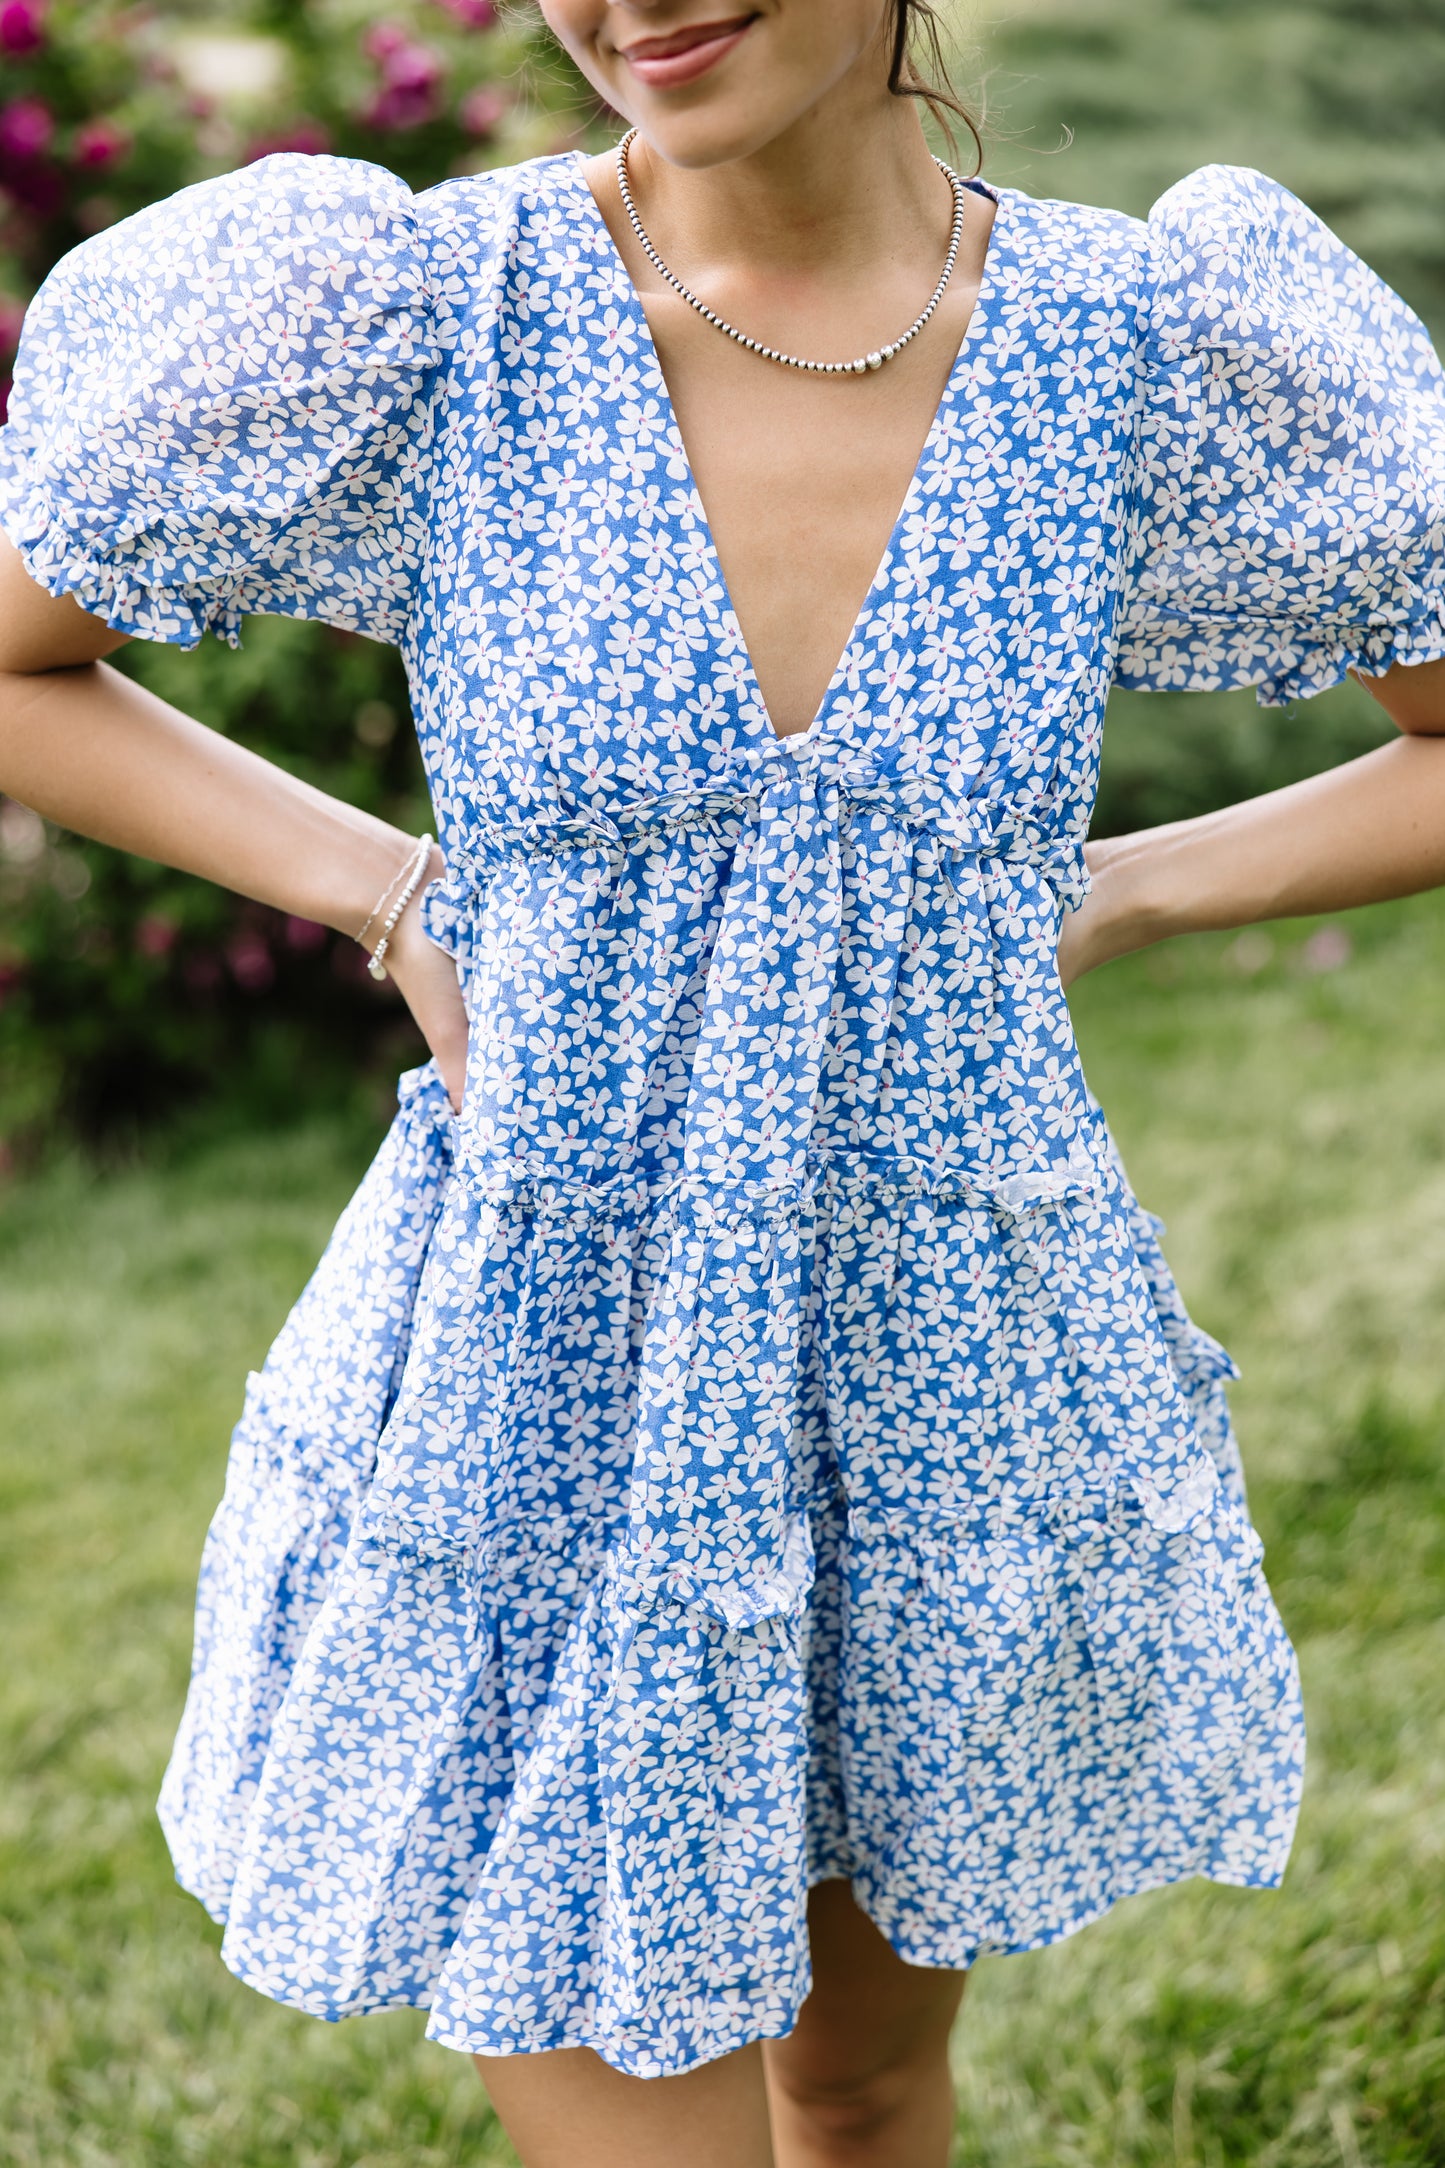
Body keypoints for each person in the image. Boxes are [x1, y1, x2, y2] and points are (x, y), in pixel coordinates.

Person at [2, 3, 1444, 2163]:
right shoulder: (420, 315)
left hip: (929, 1378)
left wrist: (1123, 887)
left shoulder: (1143, 339)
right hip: (540, 1374)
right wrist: (387, 893)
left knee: (859, 2085)